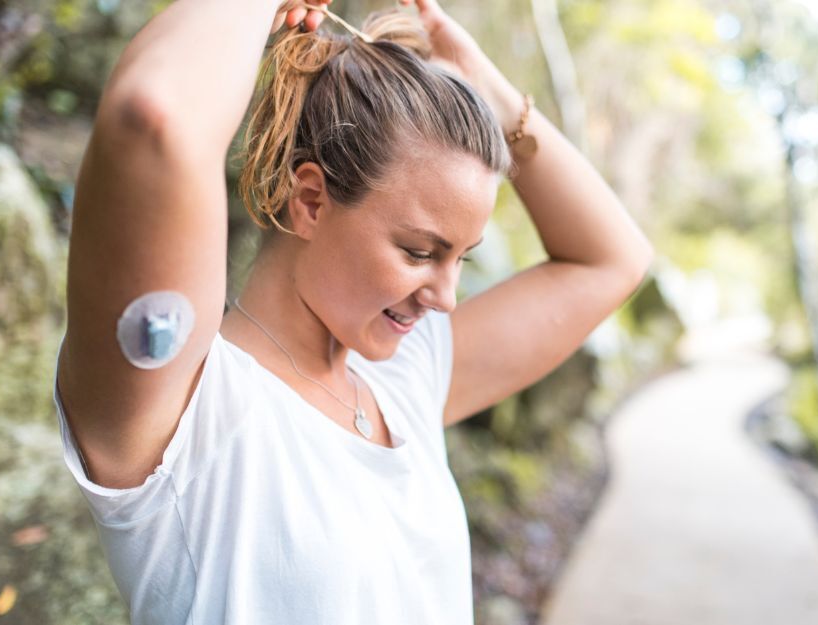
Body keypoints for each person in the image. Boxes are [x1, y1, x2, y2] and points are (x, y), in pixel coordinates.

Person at [52, 0, 653, 622]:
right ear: (311, 200)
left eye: (461, 258)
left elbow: (614, 262)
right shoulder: (181, 408)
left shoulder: (405, 378)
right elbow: (154, 118)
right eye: (420, 252)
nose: (446, 297)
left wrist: (493, 96)